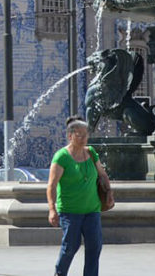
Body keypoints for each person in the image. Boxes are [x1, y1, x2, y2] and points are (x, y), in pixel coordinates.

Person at [47, 115, 110, 276]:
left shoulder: (91, 152)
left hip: (92, 210)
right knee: (70, 247)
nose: (83, 138)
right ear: (70, 136)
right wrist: (52, 209)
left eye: (86, 134)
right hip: (70, 211)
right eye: (79, 135)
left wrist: (109, 193)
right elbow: (52, 185)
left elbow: (102, 175)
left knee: (94, 246)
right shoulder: (62, 157)